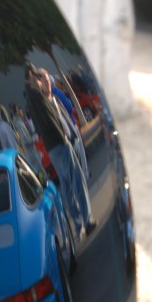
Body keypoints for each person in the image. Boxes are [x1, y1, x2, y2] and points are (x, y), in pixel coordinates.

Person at [24, 65, 96, 239]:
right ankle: (84, 221)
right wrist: (63, 138)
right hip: (60, 144)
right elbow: (48, 124)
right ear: (35, 79)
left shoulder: (43, 98)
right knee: (74, 183)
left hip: (63, 143)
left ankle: (80, 223)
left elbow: (65, 112)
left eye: (48, 80)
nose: (47, 84)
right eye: (43, 80)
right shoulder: (38, 98)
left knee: (70, 184)